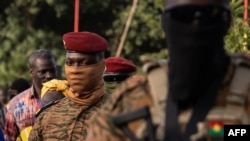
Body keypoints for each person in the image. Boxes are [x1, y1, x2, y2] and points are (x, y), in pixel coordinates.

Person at [86, 0, 250, 141]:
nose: (196, 24)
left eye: (210, 14)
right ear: (166, 22)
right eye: (183, 15)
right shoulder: (130, 101)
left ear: (227, 21)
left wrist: (226, 132)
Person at [29, 31, 109, 141]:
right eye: (70, 63)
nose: (75, 70)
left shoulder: (118, 112)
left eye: (82, 63)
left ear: (101, 66)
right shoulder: (48, 116)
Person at [4, 49, 58, 141]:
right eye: (43, 72)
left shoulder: (68, 98)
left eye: (52, 71)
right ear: (31, 73)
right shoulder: (15, 105)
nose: (49, 76)